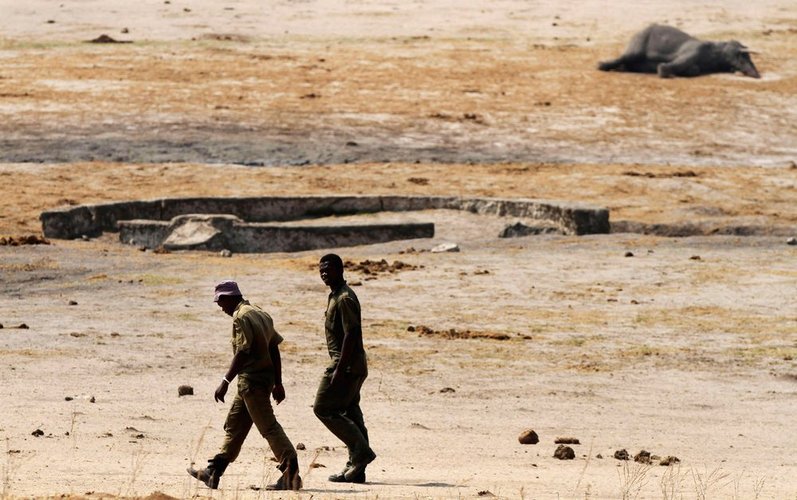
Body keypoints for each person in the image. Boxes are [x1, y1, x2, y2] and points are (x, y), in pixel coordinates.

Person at [187, 280, 301, 491]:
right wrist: (278, 382)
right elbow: (274, 348)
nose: (221, 308)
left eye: (221, 303)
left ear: (230, 298)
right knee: (235, 426)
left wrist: (225, 381)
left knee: (268, 427)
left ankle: (291, 473)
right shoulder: (260, 313)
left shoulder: (241, 317)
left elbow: (243, 352)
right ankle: (214, 472)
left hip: (252, 381)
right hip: (260, 380)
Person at [314, 254, 376, 483]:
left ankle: (361, 454)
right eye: (321, 270)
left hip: (346, 364)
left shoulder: (344, 299)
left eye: (328, 269)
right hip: (351, 364)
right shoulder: (336, 296)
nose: (323, 273)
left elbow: (352, 334)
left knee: (323, 408)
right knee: (350, 411)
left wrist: (340, 369)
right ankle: (357, 470)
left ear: (340, 270)